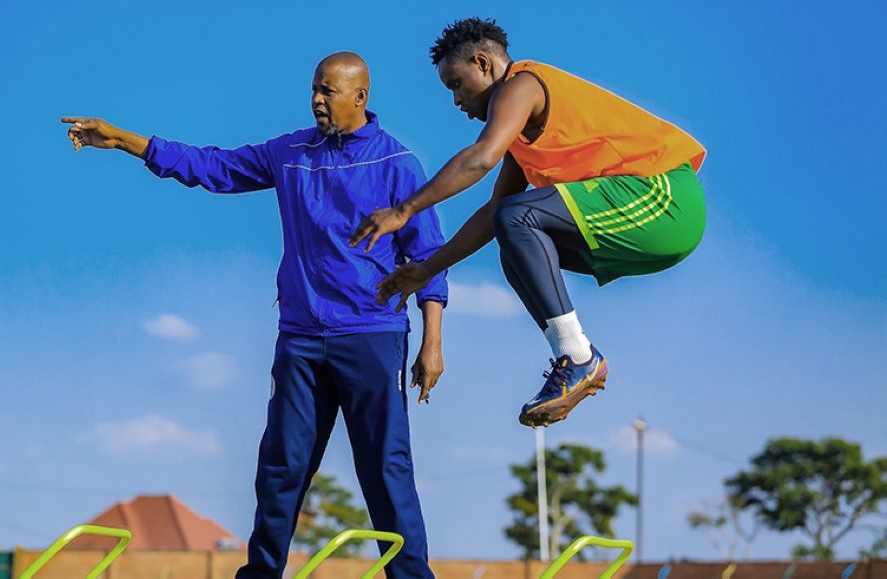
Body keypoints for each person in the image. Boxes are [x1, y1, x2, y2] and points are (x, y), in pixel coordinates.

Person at [62, 52, 446, 579]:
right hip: (303, 339)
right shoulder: (289, 153)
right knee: (281, 468)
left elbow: (427, 258)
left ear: (360, 97)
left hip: (372, 335)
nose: (316, 99)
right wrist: (127, 141)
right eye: (314, 88)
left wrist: (432, 342)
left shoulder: (396, 163)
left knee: (386, 469)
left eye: (328, 91)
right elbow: (212, 167)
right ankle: (261, 575)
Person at [350, 18, 706, 428]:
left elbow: (481, 159)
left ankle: (578, 357)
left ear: (483, 64)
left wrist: (404, 210)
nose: (456, 101)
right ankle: (573, 357)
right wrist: (427, 269)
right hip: (650, 222)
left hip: (664, 199)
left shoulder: (524, 84)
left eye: (456, 83)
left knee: (516, 217)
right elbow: (493, 215)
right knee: (511, 239)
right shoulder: (522, 141)